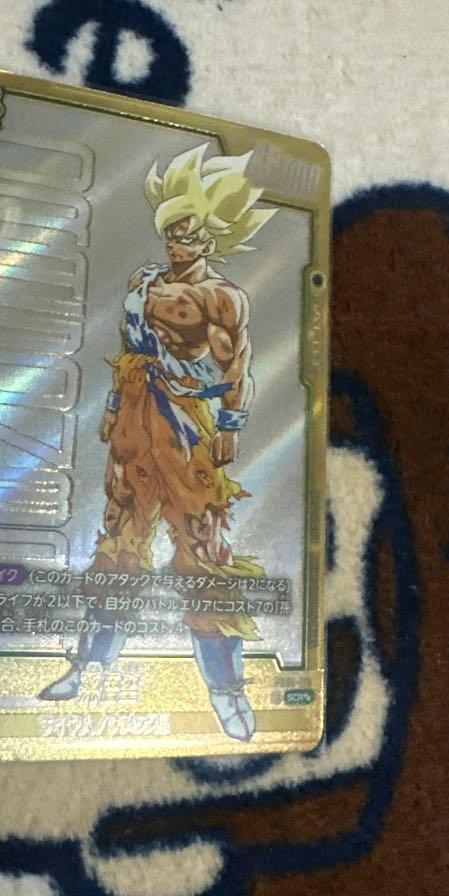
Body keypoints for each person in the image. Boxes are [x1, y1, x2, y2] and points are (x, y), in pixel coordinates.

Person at [39, 144, 275, 741]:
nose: (176, 243)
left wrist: (231, 427)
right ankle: (89, 664)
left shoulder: (223, 297)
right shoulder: (142, 280)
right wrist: (112, 407)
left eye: (188, 235)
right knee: (120, 538)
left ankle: (226, 690)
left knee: (201, 548)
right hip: (135, 415)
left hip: (188, 423)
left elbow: (239, 366)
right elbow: (128, 347)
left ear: (209, 238)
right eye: (171, 232)